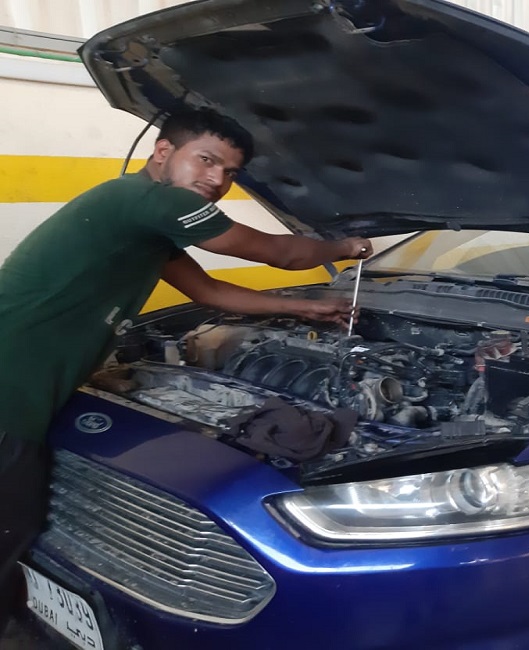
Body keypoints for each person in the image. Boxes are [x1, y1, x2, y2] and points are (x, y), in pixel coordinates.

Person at [0, 108, 372, 633]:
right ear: (162, 152)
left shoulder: (143, 221)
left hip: (24, 391)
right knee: (10, 529)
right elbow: (279, 252)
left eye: (230, 172)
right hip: (9, 395)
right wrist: (346, 247)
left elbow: (209, 291)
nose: (217, 180)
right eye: (206, 160)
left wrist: (305, 309)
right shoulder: (152, 201)